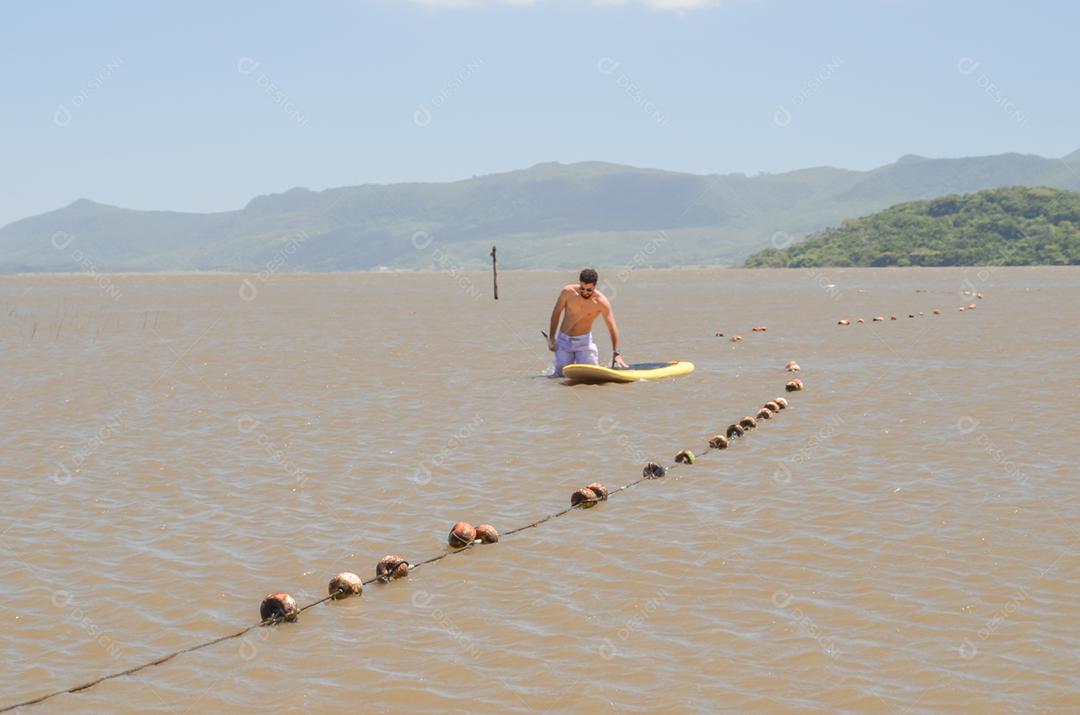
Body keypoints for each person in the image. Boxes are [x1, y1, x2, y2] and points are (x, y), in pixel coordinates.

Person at [548, 268, 629, 376]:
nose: (585, 292)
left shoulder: (601, 302)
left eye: (589, 290)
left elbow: (612, 328)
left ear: (595, 286)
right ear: (579, 283)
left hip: (584, 342)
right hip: (564, 340)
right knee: (560, 375)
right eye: (582, 288)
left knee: (591, 375)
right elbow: (556, 313)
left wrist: (616, 353)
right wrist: (552, 338)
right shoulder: (568, 292)